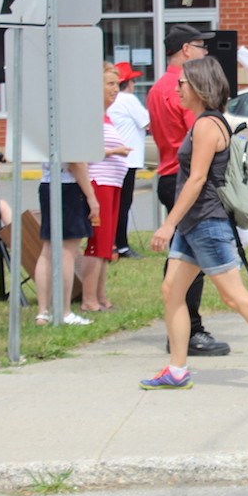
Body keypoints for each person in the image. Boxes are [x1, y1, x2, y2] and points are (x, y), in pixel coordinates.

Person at [141, 57, 248, 393]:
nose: (177, 89)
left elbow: (197, 180)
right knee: (172, 290)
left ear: (199, 86)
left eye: (182, 84)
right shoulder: (205, 122)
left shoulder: (207, 126)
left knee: (234, 296)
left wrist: (168, 224)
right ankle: (177, 369)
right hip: (194, 224)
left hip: (207, 223)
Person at [146, 24, 230, 357]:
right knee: (193, 261)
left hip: (168, 174)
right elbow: (197, 134)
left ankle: (181, 330)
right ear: (185, 50)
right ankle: (190, 330)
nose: (205, 52)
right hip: (186, 180)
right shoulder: (183, 89)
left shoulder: (157, 88)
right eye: (200, 46)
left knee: (182, 259)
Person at [81, 63, 132, 312]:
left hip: (112, 183)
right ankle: (89, 298)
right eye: (110, 84)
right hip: (98, 182)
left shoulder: (107, 116)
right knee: (97, 242)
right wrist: (115, 151)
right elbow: (85, 151)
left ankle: (100, 296)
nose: (115, 89)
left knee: (106, 243)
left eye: (117, 85)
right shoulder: (90, 116)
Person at [34, 160, 98, 326]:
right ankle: (64, 311)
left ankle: (43, 311)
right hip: (69, 186)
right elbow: (76, 162)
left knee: (48, 250)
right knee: (67, 251)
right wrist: (91, 196)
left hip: (48, 182)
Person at [108, 61, 150, 259]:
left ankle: (113, 242)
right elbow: (147, 121)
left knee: (115, 204)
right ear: (128, 83)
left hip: (115, 159)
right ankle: (122, 244)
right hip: (128, 159)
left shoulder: (113, 101)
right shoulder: (128, 99)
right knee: (124, 204)